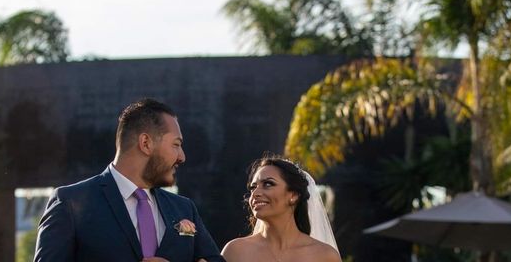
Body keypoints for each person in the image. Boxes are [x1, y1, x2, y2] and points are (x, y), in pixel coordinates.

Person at [34, 98, 224, 262]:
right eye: (176, 144)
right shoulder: (70, 203)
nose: (182, 157)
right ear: (146, 143)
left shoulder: (185, 209)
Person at [221, 156, 341, 262]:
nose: (255, 193)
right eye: (253, 187)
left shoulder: (325, 256)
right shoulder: (235, 252)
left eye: (268, 184)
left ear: (293, 195)